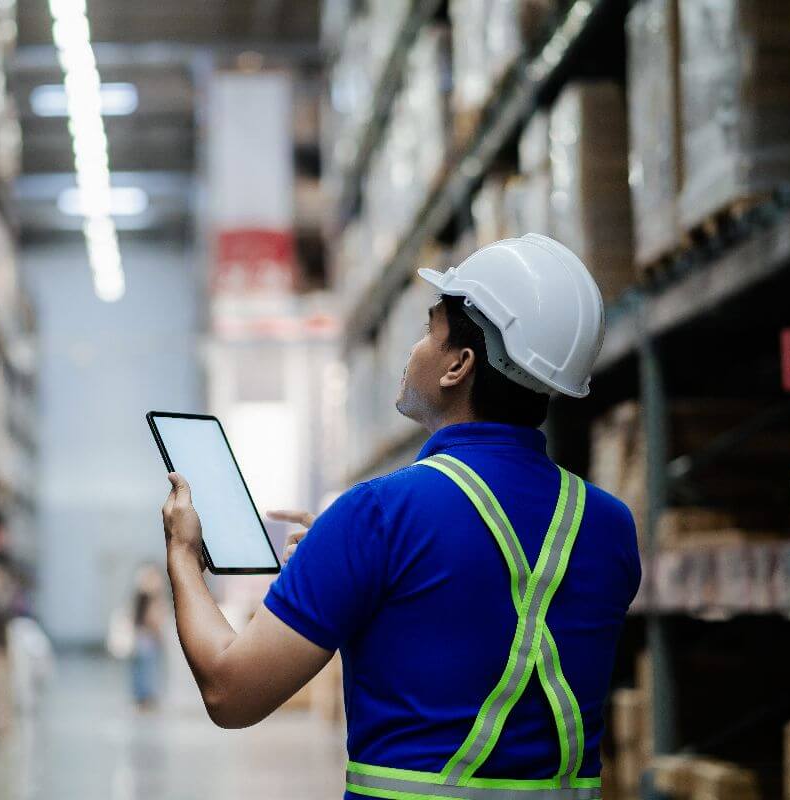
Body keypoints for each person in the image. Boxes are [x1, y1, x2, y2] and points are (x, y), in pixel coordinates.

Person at [161, 234, 641, 799]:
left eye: (427, 329)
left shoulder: (374, 518)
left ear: (457, 366)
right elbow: (485, 604)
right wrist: (368, 567)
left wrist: (184, 557)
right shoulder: (610, 526)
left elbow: (230, 691)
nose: (413, 348)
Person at [130, 563, 167, 710]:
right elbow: (152, 619)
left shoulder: (141, 596)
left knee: (142, 670)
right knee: (147, 670)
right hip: (147, 638)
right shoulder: (149, 597)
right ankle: (145, 699)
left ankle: (142, 698)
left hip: (143, 638)